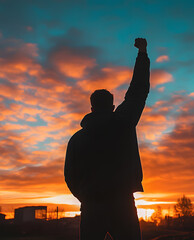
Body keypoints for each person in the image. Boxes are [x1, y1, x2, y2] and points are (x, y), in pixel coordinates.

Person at [65, 38, 150, 240]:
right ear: (112, 107)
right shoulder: (123, 122)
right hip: (122, 204)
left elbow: (70, 177)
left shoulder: (76, 139)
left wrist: (86, 197)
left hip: (92, 206)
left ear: (92, 108)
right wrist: (142, 54)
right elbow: (138, 90)